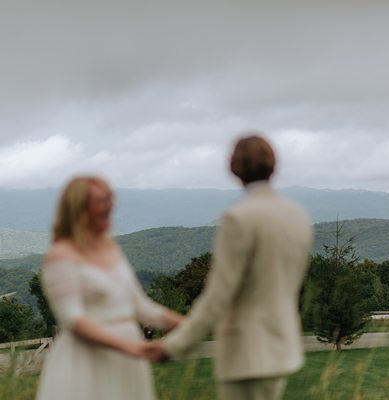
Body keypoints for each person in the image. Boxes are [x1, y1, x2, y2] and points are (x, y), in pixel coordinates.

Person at [145, 134, 313, 400]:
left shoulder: (239, 218)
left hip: (246, 351)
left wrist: (174, 346)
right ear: (274, 164)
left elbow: (218, 296)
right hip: (281, 345)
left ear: (234, 168)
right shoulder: (298, 216)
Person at [36, 176, 183, 400]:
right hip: (87, 359)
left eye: (111, 199)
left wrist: (187, 325)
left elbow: (140, 305)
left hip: (128, 357)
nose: (111, 205)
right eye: (104, 201)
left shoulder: (110, 248)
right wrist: (128, 347)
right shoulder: (60, 255)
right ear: (80, 209)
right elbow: (73, 319)